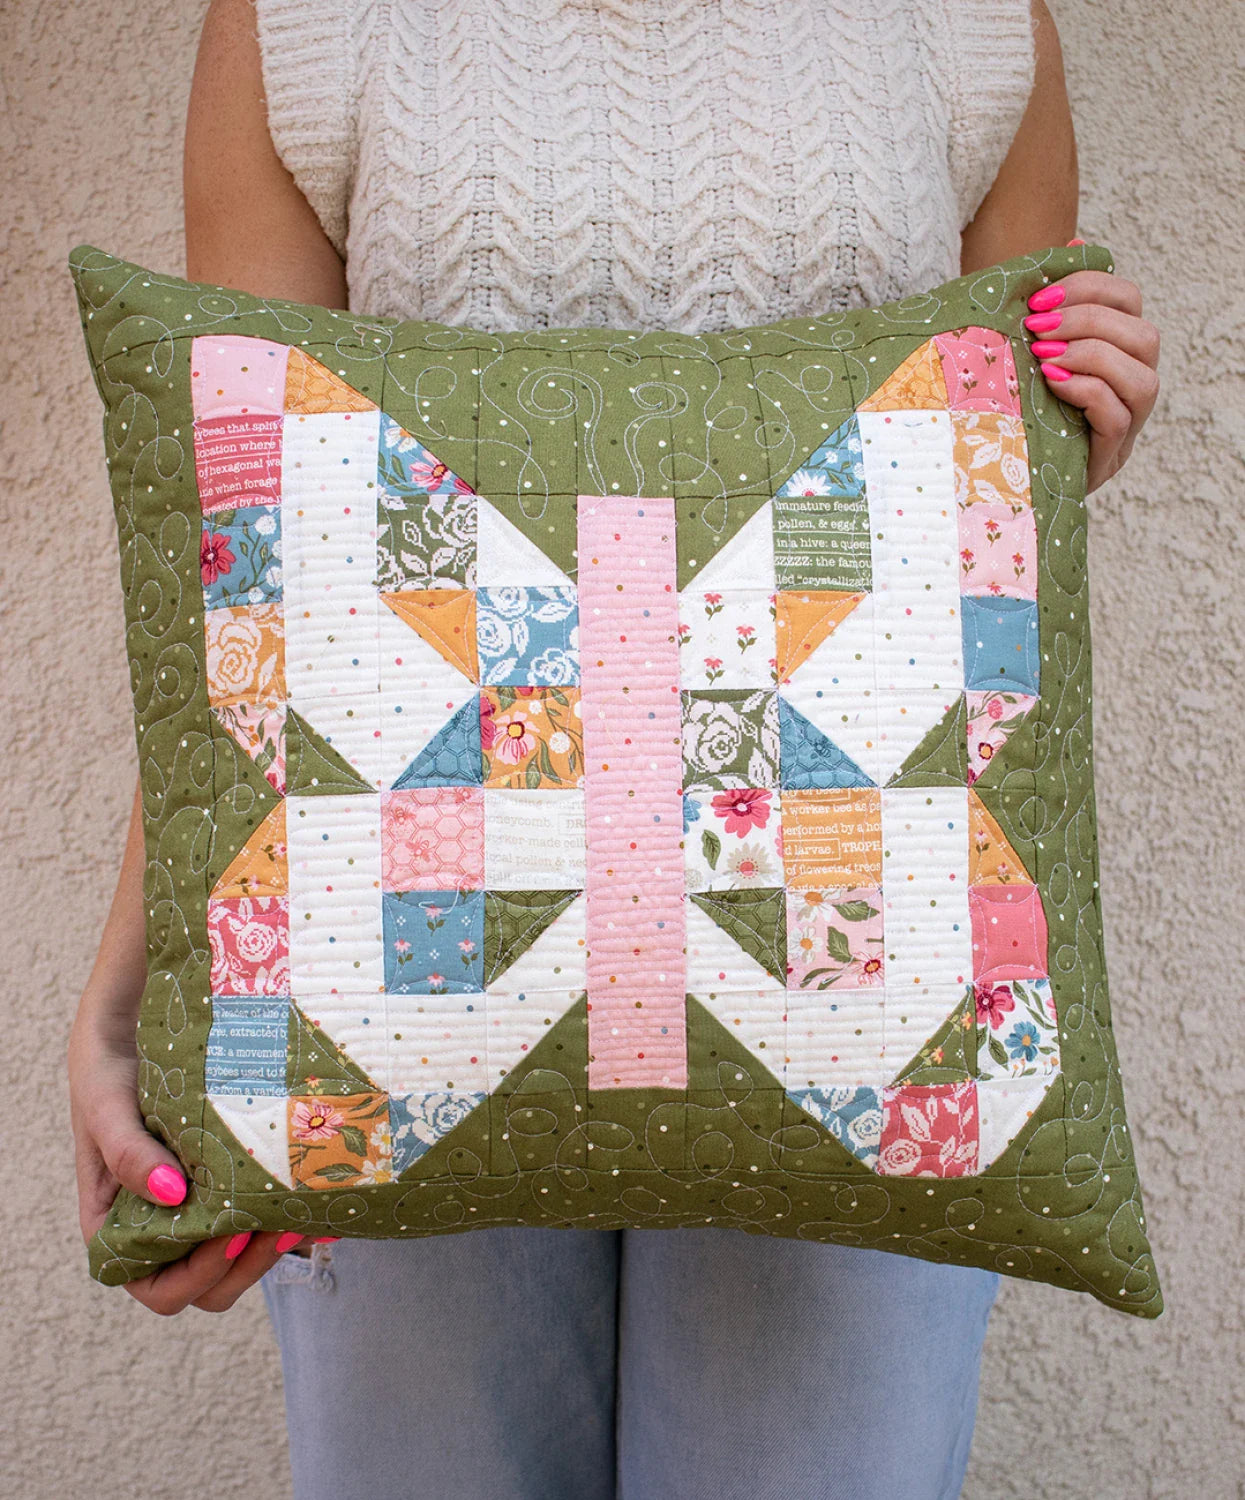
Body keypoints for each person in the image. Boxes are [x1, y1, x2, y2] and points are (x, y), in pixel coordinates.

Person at [68, 2, 1161, 1495]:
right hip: (405, 959)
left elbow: (973, 532)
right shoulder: (305, 28)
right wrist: (133, 998)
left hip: (854, 965)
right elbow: (259, 577)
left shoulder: (965, 26)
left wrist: (1061, 420)